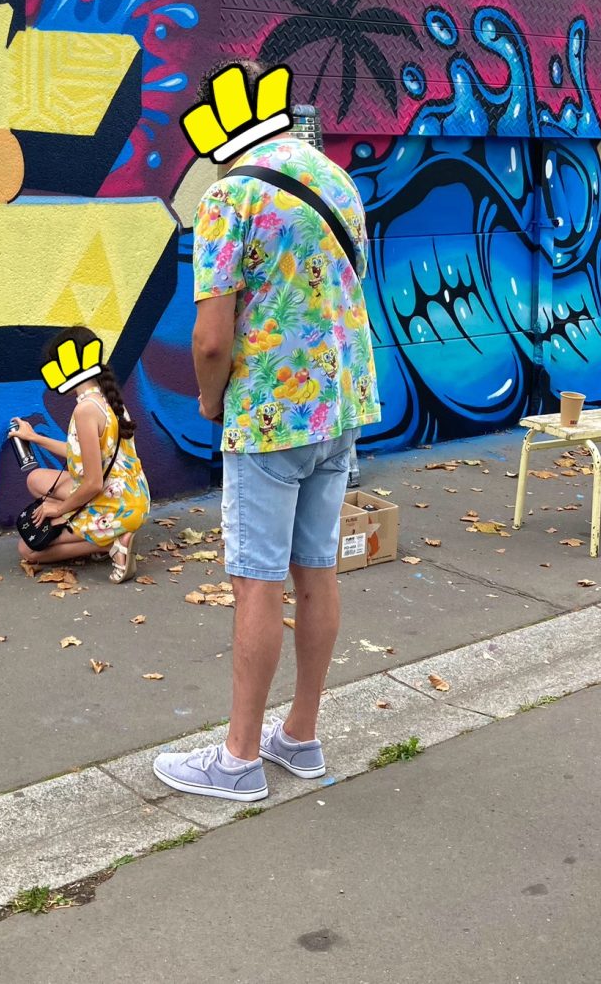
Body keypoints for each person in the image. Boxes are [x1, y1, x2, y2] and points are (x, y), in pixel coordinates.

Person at [154, 60, 381, 801]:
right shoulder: (338, 182)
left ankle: (240, 759)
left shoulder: (230, 197)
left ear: (223, 139)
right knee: (315, 573)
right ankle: (301, 738)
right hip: (338, 408)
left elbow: (212, 340)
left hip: (268, 418)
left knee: (256, 583)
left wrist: (212, 402)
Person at [9, 326, 150, 583]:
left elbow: (94, 482)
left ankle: (111, 544)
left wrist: (60, 511)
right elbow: (84, 456)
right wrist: (35, 438)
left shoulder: (86, 410)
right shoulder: (106, 398)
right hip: (132, 496)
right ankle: (107, 535)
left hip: (114, 505)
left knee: (27, 549)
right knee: (36, 480)